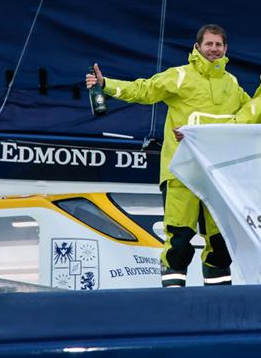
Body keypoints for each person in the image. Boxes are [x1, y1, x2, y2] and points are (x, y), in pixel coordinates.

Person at [86, 24, 249, 287]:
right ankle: (174, 300)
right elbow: (145, 90)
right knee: (180, 240)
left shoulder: (232, 83)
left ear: (226, 49)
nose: (214, 49)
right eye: (209, 44)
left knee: (219, 242)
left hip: (217, 175)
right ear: (197, 47)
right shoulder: (180, 76)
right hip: (181, 173)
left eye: (219, 45)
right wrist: (106, 85)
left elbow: (252, 114)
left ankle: (220, 303)